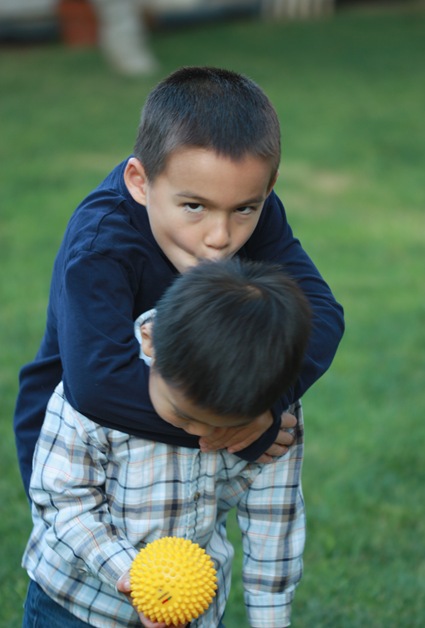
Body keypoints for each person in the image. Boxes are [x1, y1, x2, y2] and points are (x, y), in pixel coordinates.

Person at [14, 66, 344, 502]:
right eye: (194, 207)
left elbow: (321, 313)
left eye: (245, 209)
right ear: (140, 182)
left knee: (185, 550)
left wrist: (262, 409)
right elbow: (97, 383)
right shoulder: (100, 245)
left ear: (267, 189)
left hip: (180, 462)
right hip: (80, 457)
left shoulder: (245, 201)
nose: (220, 236)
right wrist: (236, 429)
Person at [22, 258, 312, 628]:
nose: (200, 434)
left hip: (192, 609)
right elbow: (63, 502)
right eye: (183, 415)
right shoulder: (92, 393)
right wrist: (130, 574)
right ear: (150, 341)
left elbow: (274, 523)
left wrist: (271, 621)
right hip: (75, 604)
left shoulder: (272, 417)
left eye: (225, 429)